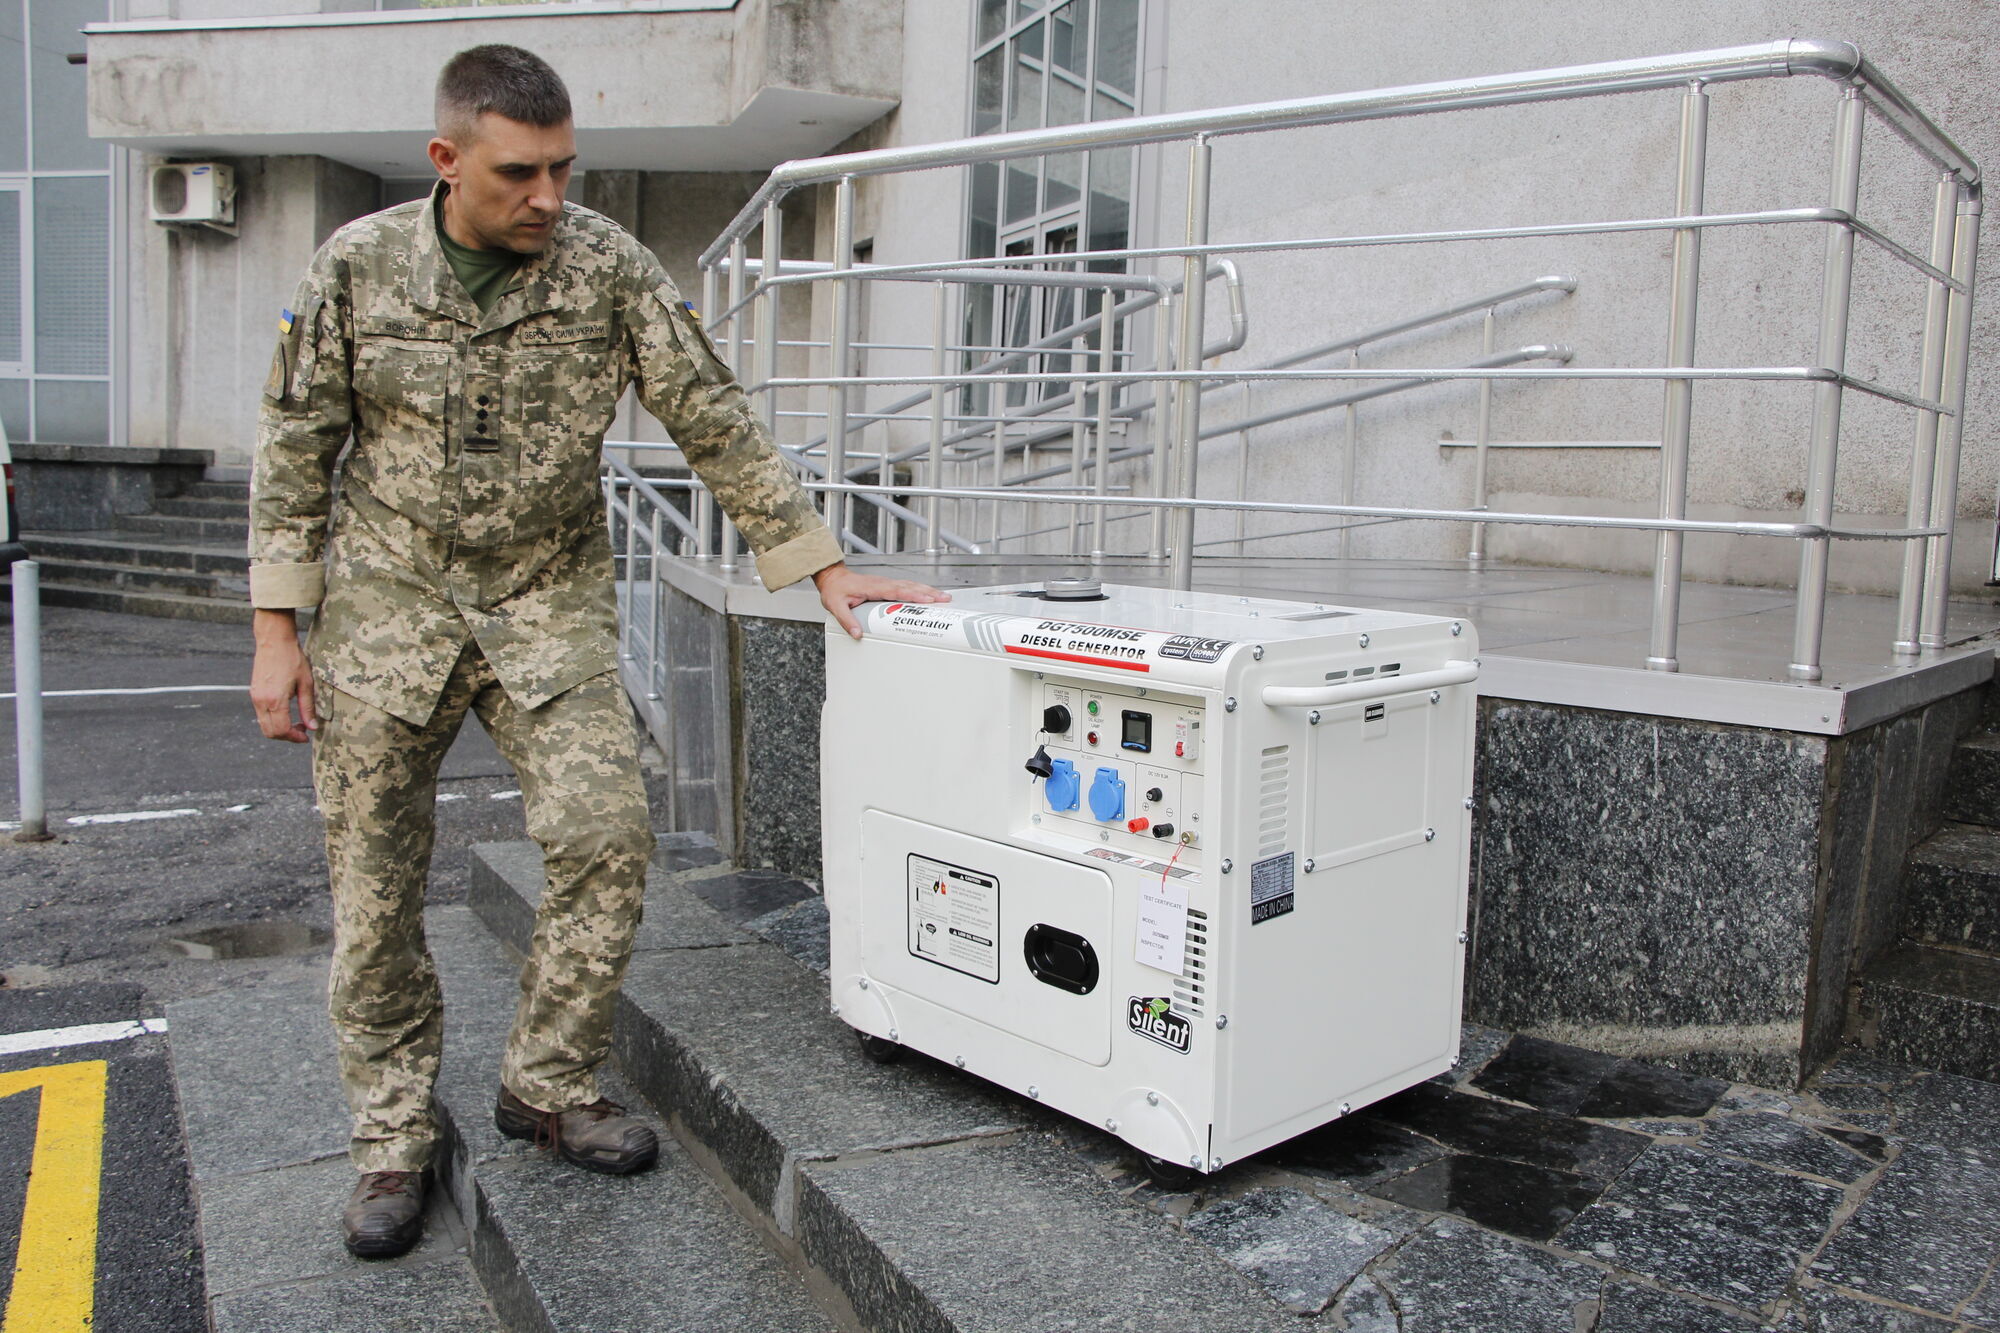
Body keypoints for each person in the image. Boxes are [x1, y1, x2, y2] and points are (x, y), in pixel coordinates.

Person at [247, 43, 946, 1259]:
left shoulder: (606, 268)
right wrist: (274, 632)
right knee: (373, 899)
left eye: (565, 168)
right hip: (384, 615)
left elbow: (710, 414)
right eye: (521, 173)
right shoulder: (357, 268)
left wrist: (819, 563)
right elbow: (296, 445)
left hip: (543, 604)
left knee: (606, 836)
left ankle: (547, 1081)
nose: (549, 197)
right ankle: (391, 1140)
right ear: (446, 160)